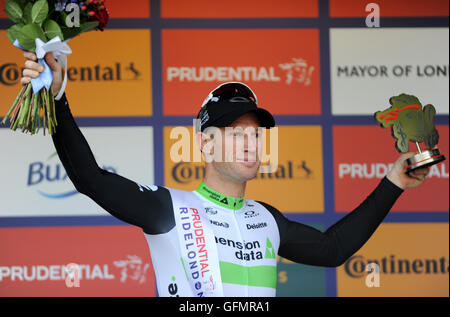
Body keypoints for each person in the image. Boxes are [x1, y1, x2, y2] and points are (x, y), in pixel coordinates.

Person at [20, 52, 430, 297]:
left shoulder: (266, 218)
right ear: (206, 143)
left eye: (255, 133)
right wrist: (58, 99)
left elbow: (333, 249)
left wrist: (393, 182)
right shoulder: (169, 209)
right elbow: (90, 178)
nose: (250, 142)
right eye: (235, 133)